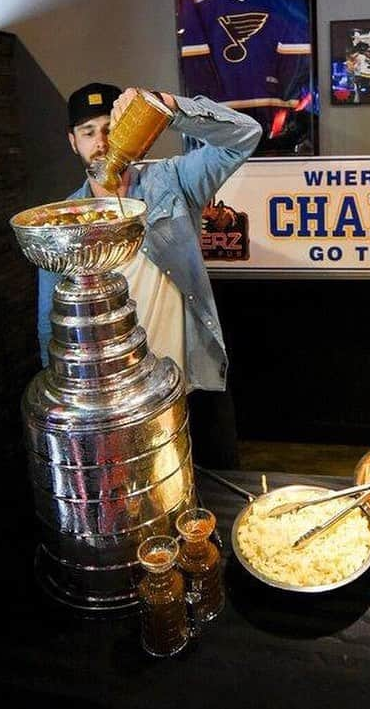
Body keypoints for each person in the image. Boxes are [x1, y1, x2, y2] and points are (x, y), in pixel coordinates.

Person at [37, 82, 261, 466]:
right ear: (73, 142)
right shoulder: (62, 222)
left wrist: (168, 107)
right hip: (117, 405)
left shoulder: (173, 182)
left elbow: (244, 136)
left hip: (192, 383)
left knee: (216, 490)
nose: (101, 141)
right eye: (88, 132)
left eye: (111, 127)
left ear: (131, 127)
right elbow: (50, 325)